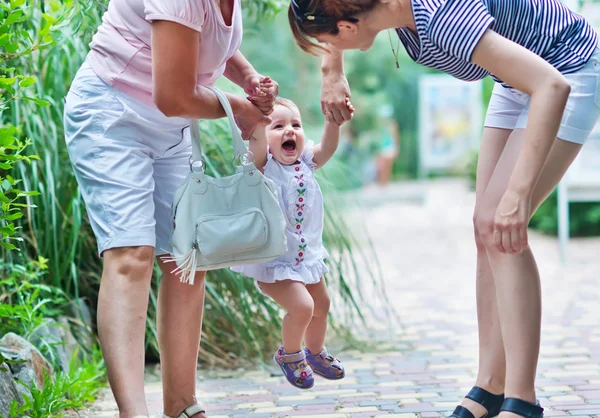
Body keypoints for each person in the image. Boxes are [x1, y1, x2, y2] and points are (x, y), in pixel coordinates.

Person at [286, 0, 600, 417]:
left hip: (564, 68)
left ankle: (522, 400)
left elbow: (551, 86)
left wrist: (518, 194)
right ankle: (490, 387)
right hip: (518, 76)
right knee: (484, 227)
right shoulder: (386, 12)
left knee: (502, 225)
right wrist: (333, 70)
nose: (328, 47)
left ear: (346, 26)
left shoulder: (441, 18)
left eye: (326, 42)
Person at [63, 0, 277, 417]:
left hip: (171, 128)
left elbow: (202, 37)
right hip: (112, 114)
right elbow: (174, 94)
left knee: (186, 258)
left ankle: (181, 405)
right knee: (131, 255)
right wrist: (238, 110)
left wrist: (248, 76)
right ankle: (133, 413)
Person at [231, 96, 354, 389]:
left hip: (305, 258)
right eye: (279, 126)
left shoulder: (306, 163)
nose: (290, 131)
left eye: (296, 125)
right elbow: (258, 144)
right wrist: (258, 120)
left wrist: (333, 123)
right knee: (303, 307)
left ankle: (314, 353)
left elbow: (327, 148)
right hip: (272, 261)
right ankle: (290, 355)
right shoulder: (262, 166)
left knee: (321, 304)